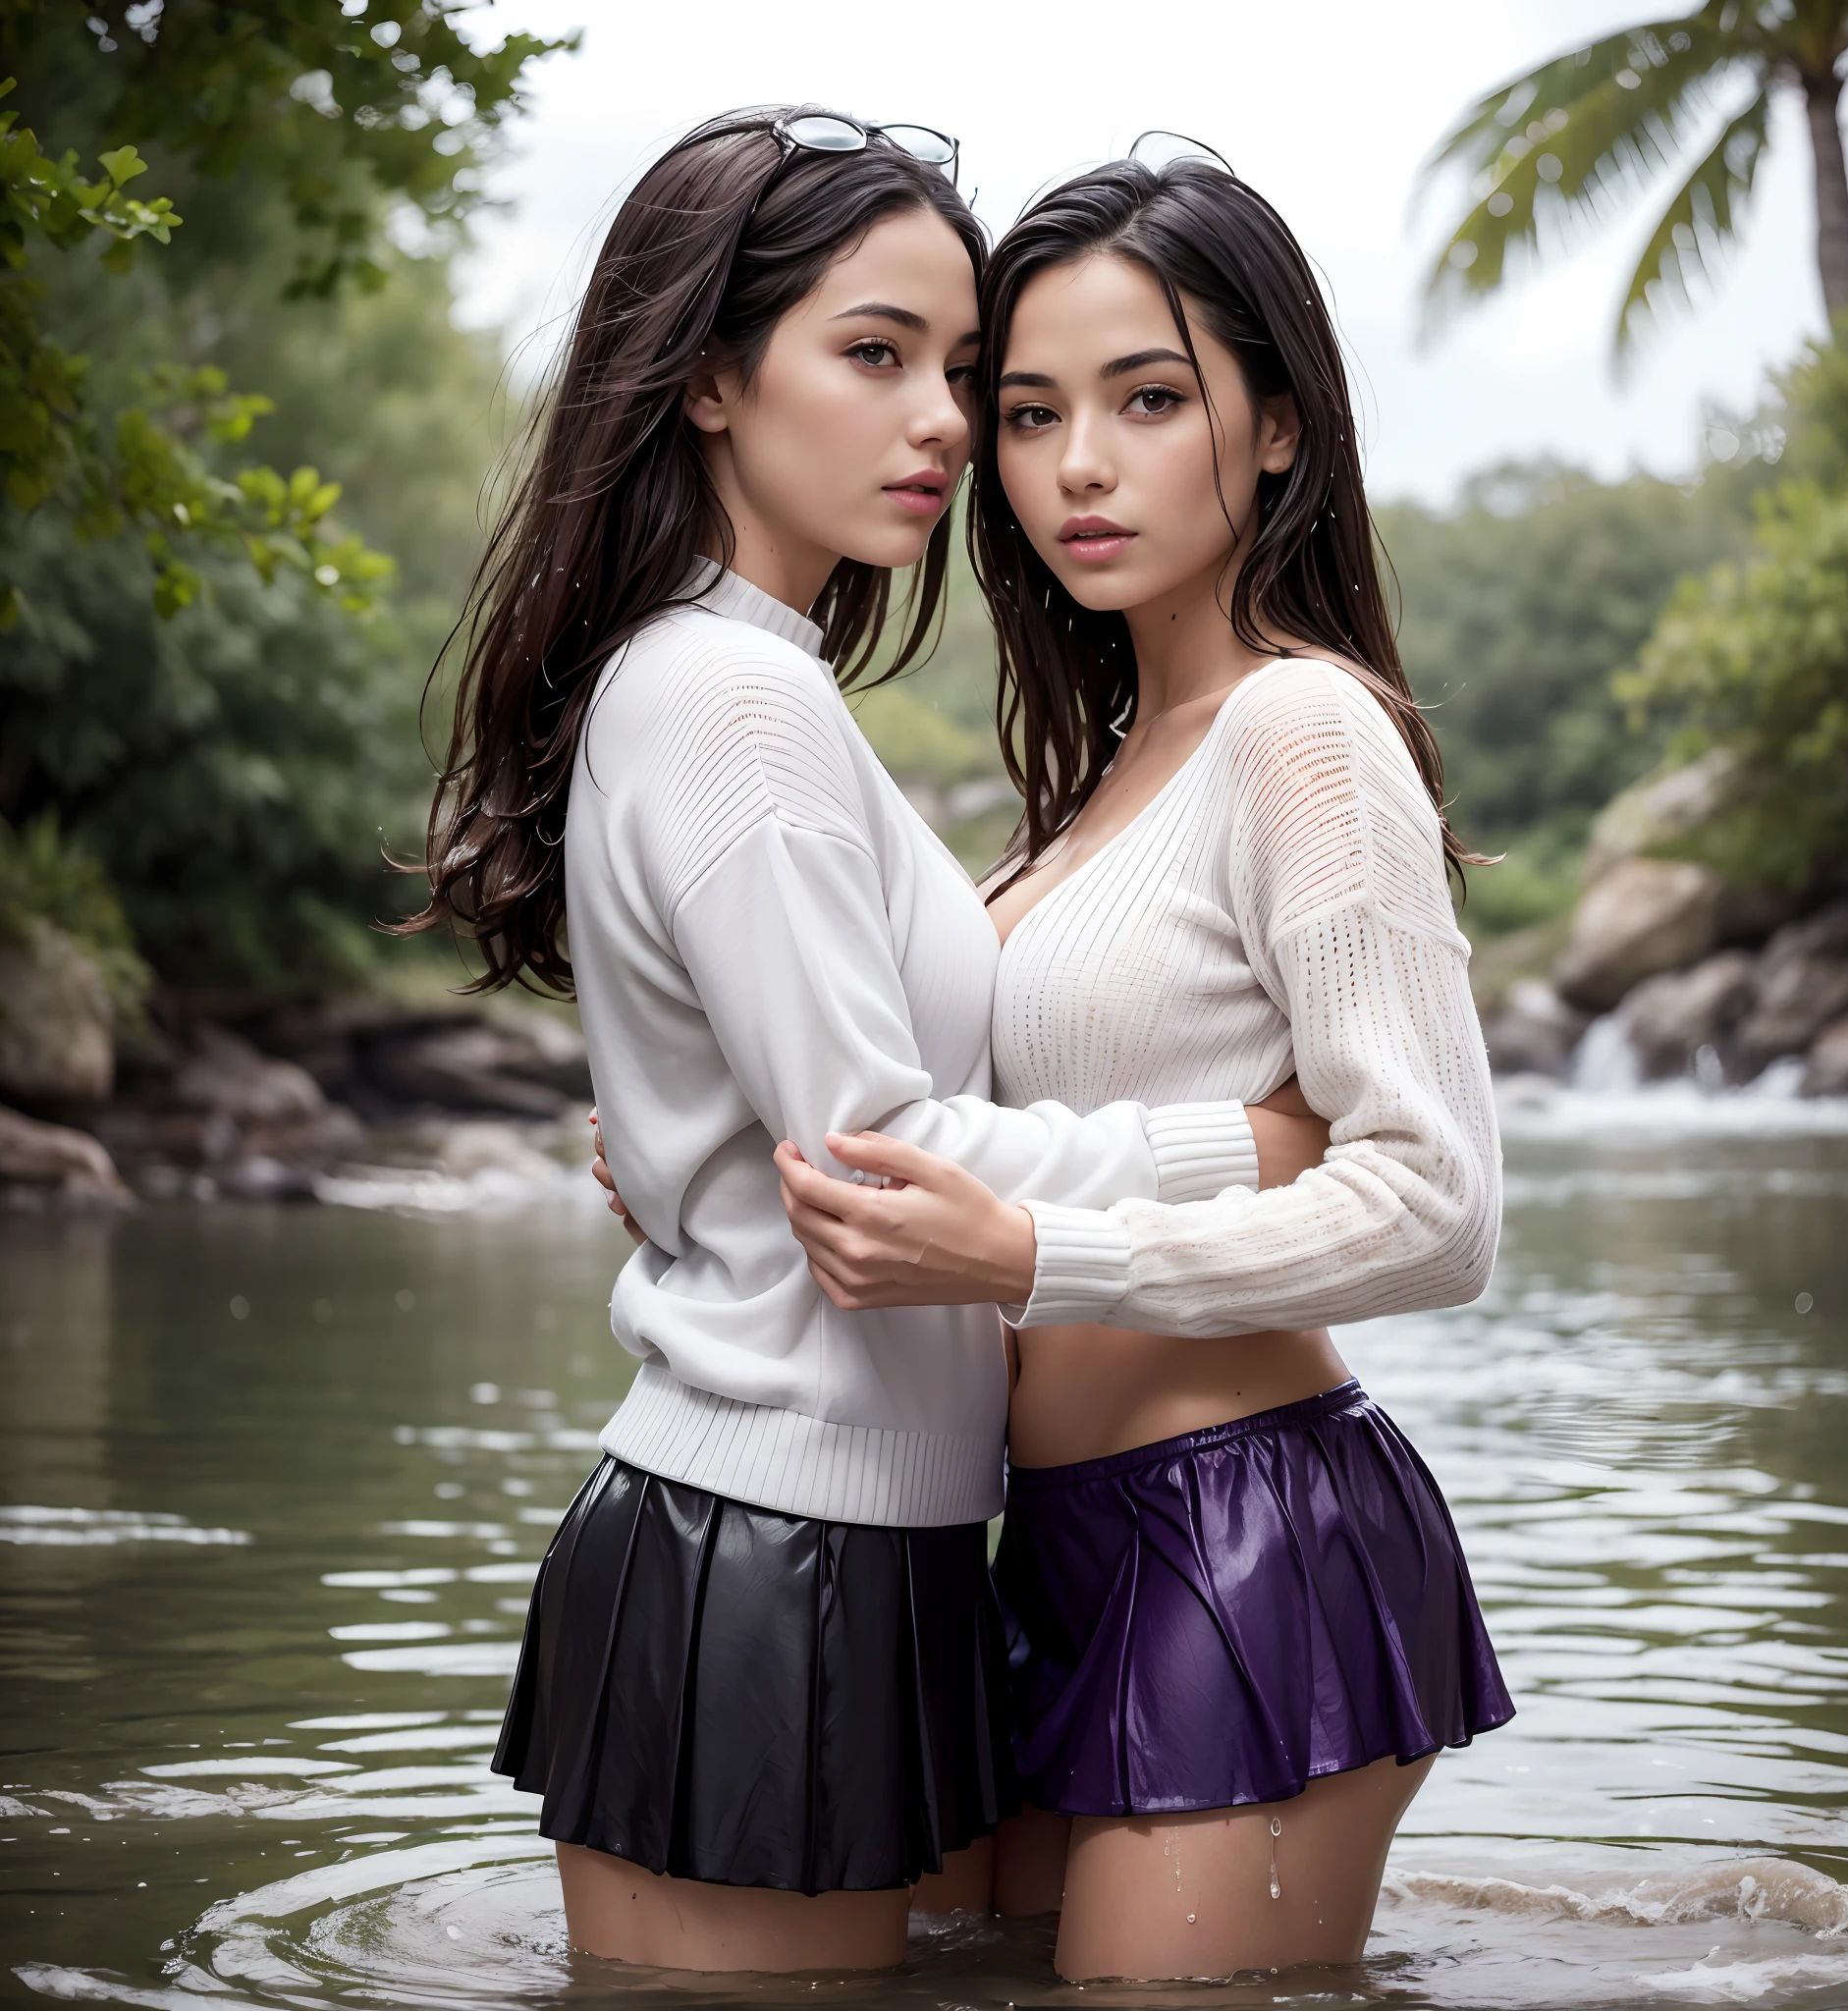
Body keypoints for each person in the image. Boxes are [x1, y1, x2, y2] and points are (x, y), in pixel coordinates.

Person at [407, 109, 1326, 1976]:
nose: (944, 426)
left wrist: (697, 1155)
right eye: (875, 353)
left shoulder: (751, 683)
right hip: (770, 1542)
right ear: (711, 380)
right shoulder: (734, 701)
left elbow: (821, 1123)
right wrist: (1247, 1144)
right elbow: (879, 1154)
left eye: (961, 373)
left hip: (841, 1540)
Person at [768, 146, 1515, 1983]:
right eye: (1028, 414)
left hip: (1248, 1518)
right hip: (1043, 1535)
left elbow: (1437, 1207)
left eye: (1149, 397)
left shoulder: (1302, 727)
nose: (1076, 464)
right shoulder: (1086, 795)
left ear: (1275, 428)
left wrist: (1036, 1258)